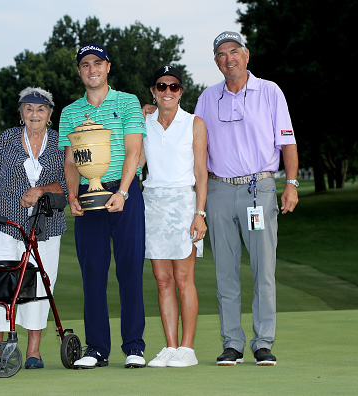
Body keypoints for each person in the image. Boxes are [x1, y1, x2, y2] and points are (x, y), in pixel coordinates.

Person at [195, 31, 299, 366]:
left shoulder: (269, 91)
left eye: (234, 51)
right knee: (225, 272)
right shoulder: (207, 98)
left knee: (262, 269)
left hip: (260, 188)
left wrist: (292, 183)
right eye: (222, 54)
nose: (229, 58)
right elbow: (193, 140)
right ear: (216, 62)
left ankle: (263, 341)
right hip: (220, 191)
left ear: (246, 55)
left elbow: (288, 143)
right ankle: (232, 343)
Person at [0, 87, 67, 370]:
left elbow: (68, 186)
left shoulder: (59, 143)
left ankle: (33, 351)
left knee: (40, 285)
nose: (34, 114)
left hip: (44, 227)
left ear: (50, 115)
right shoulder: (7, 138)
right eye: (28, 109)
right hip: (0, 223)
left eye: (40, 109)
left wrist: (41, 190)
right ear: (21, 114)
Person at [58, 43, 147, 369]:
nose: (91, 69)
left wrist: (122, 191)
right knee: (93, 271)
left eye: (97, 63)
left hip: (124, 194)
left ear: (108, 67)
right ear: (80, 71)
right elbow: (69, 161)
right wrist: (71, 196)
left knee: (129, 270)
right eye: (85, 65)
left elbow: (133, 150)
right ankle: (96, 348)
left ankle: (134, 346)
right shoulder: (69, 112)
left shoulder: (127, 102)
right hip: (87, 194)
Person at [140, 65, 208, 368]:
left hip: (184, 203)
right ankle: (170, 347)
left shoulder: (195, 123)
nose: (168, 91)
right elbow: (138, 161)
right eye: (161, 86)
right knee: (162, 280)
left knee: (183, 279)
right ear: (154, 91)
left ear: (181, 91)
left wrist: (199, 213)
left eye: (174, 86)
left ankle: (187, 348)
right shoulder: (144, 121)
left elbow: (201, 173)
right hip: (152, 203)